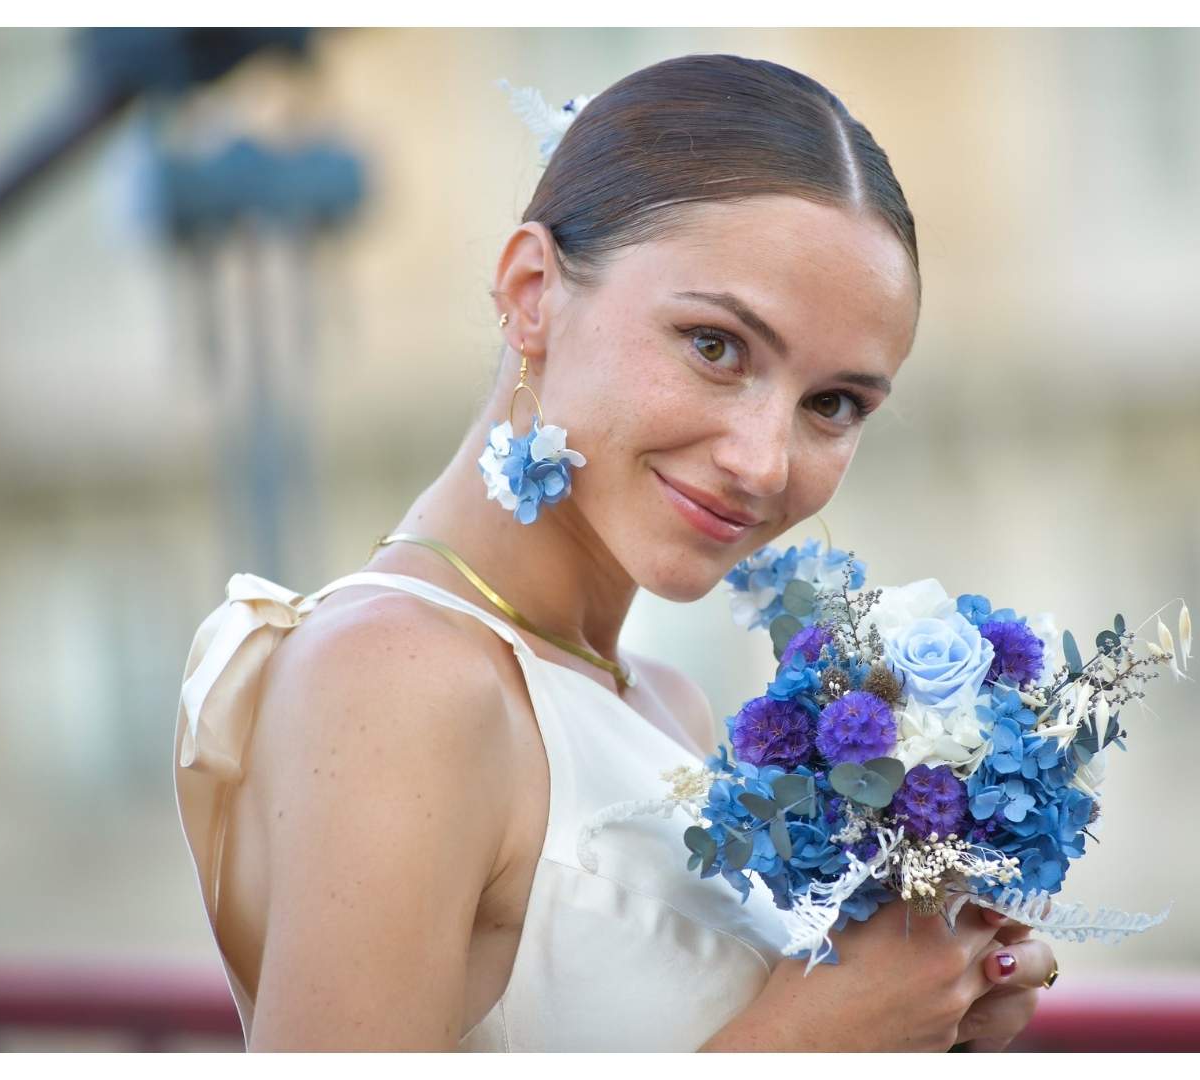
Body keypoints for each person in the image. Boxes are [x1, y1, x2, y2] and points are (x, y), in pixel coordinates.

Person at [173, 52, 1056, 1052]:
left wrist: (932, 1018)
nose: (763, 462)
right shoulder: (397, 678)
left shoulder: (661, 700)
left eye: (833, 404)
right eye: (716, 347)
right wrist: (806, 1041)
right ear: (532, 290)